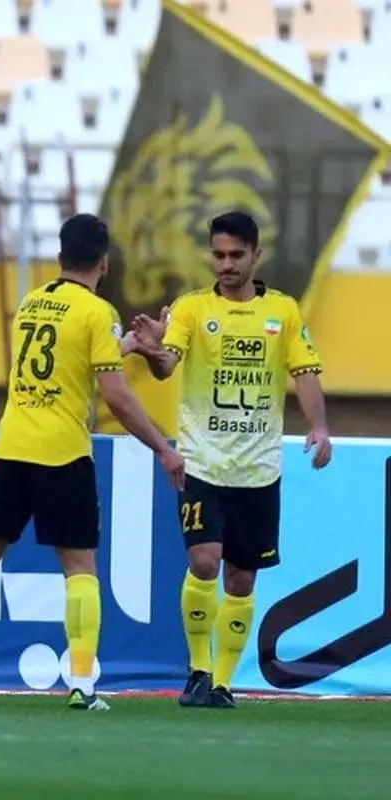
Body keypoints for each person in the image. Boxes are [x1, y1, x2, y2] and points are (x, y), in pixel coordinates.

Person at [0, 213, 185, 711]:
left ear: (60, 256)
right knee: (80, 568)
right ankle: (83, 684)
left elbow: (67, 355)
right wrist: (163, 447)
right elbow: (116, 397)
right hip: (63, 453)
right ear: (105, 263)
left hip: (12, 448)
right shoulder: (97, 311)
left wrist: (127, 345)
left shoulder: (31, 302)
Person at [129, 211, 331, 709]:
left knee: (241, 578)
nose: (226, 264)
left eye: (236, 255)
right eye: (219, 255)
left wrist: (319, 425)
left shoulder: (282, 311)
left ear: (256, 255)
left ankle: (221, 682)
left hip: (258, 469)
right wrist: (152, 352)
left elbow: (304, 371)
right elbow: (168, 365)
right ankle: (197, 671)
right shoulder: (192, 308)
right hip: (202, 463)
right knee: (204, 561)